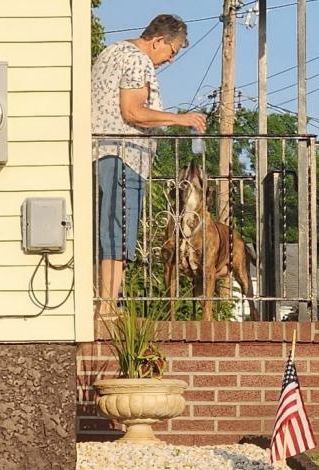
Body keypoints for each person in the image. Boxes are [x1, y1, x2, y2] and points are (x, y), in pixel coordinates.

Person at [91, 14, 206, 317]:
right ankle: (107, 307)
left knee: (109, 227)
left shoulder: (110, 52)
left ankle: (107, 302)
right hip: (124, 155)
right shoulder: (137, 60)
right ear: (158, 40)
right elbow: (132, 112)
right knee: (119, 230)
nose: (169, 60)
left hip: (103, 153)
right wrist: (180, 119)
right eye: (172, 51)